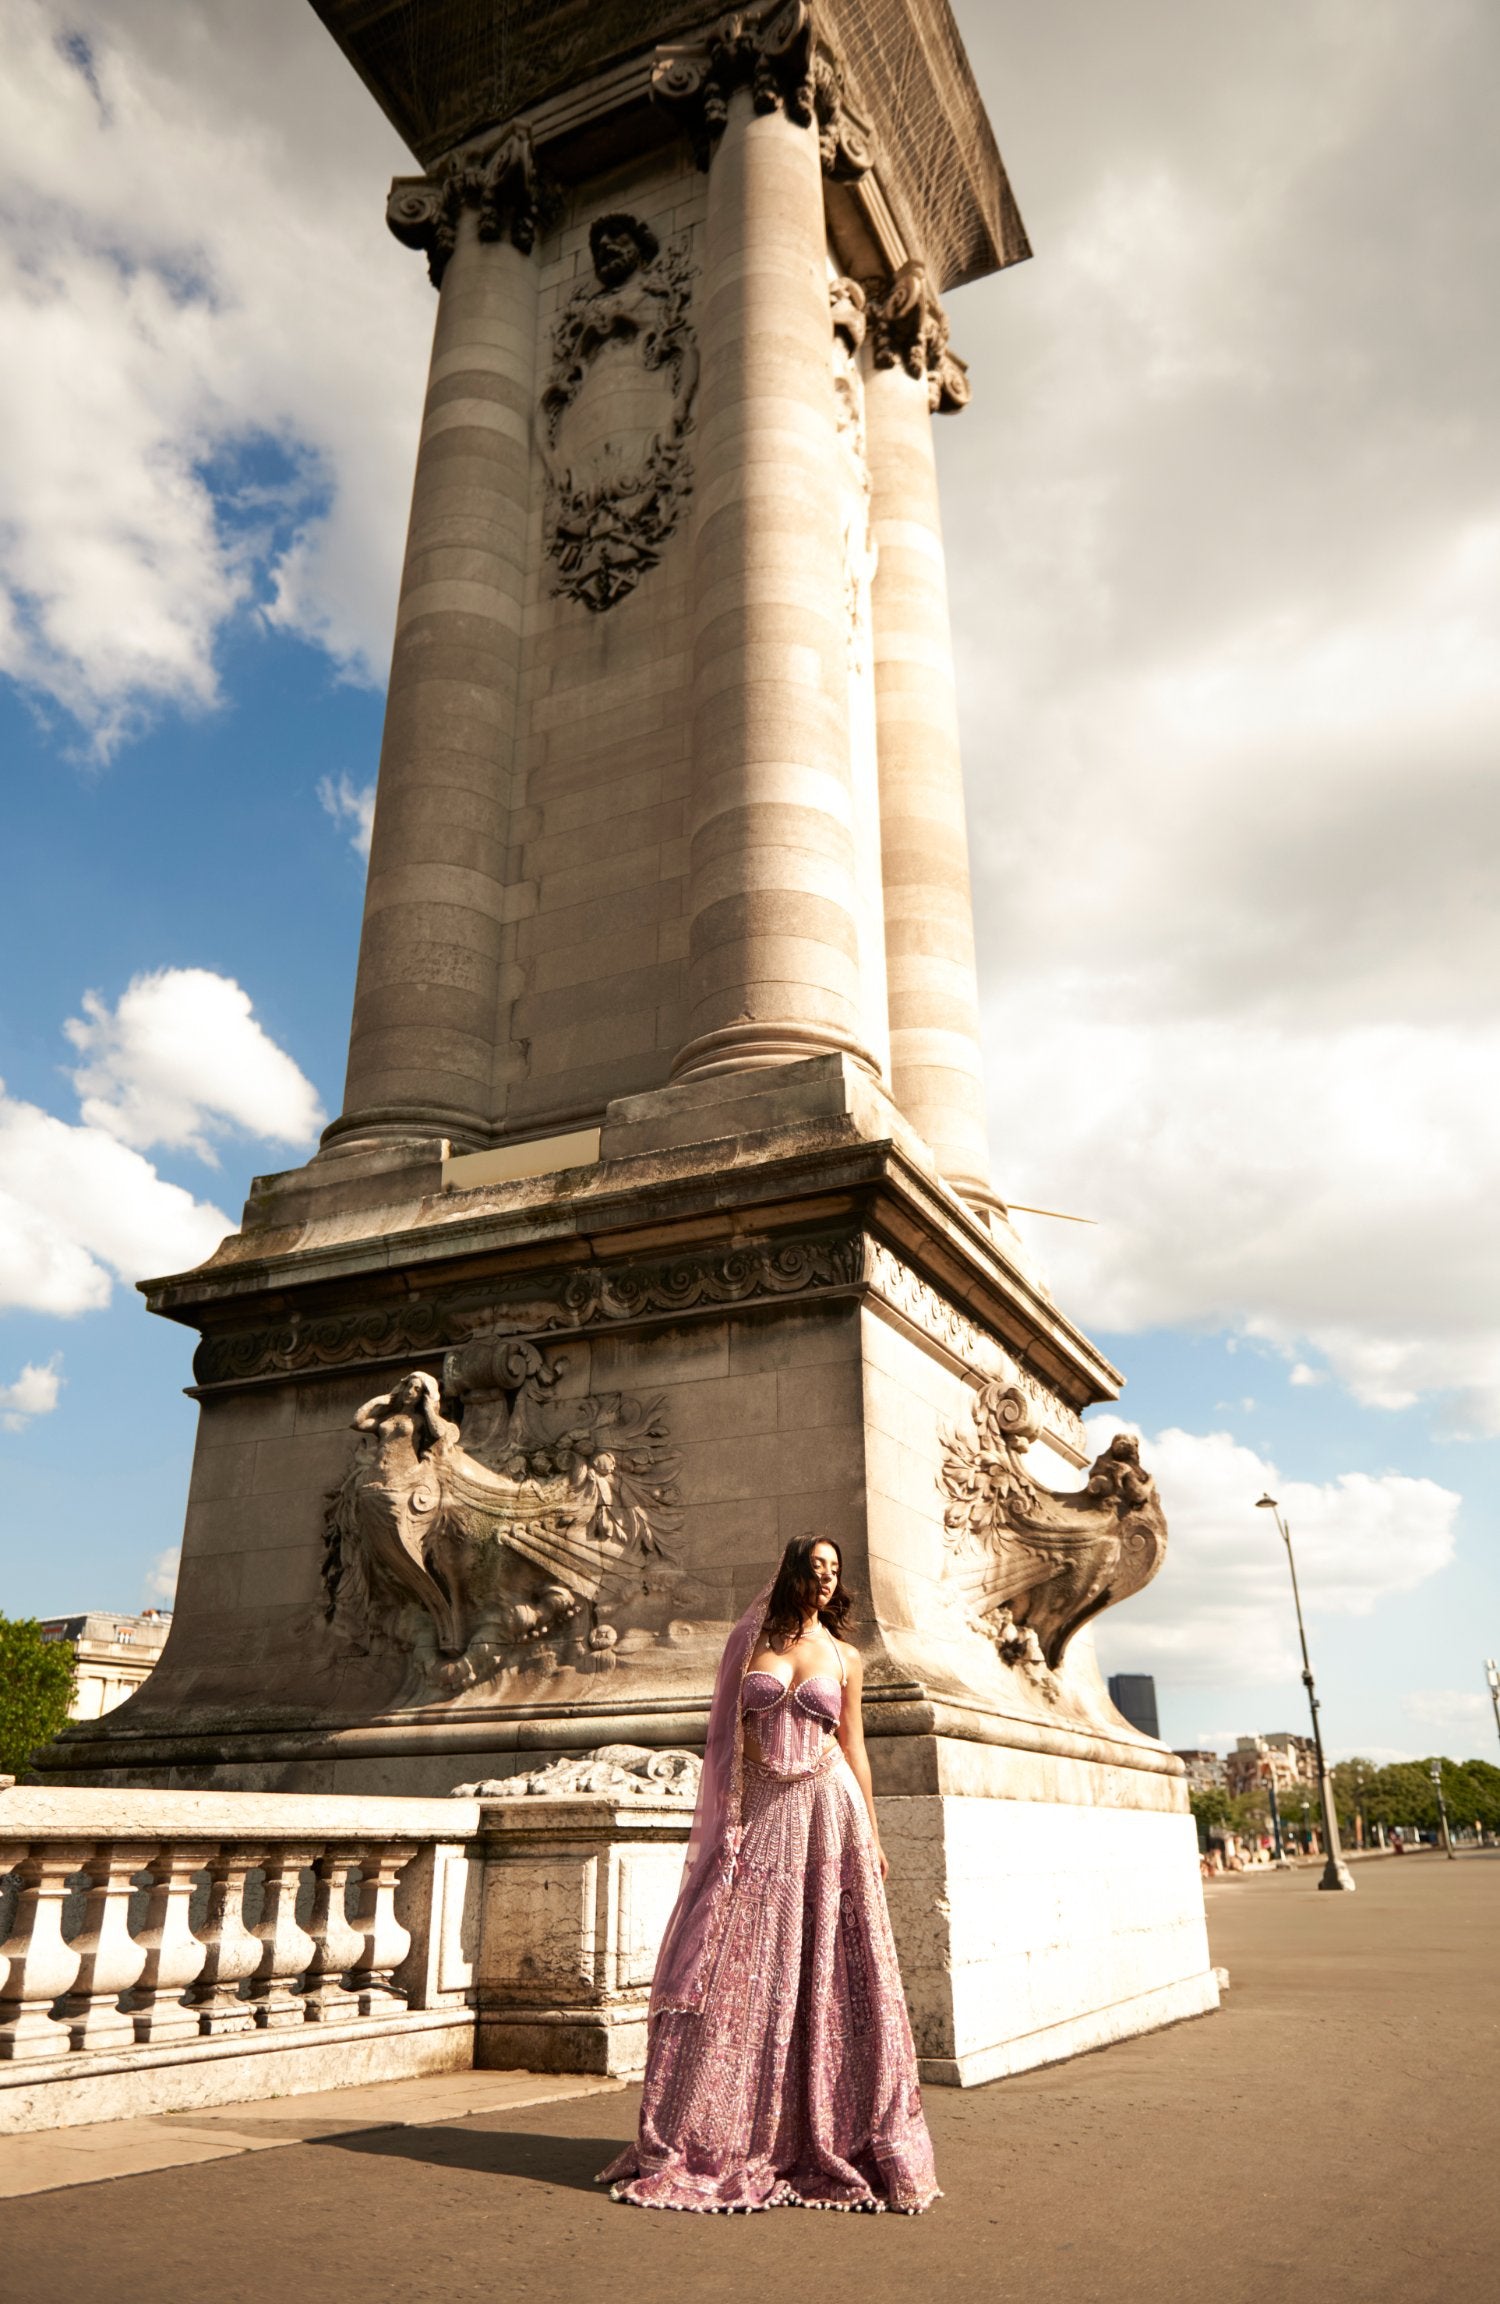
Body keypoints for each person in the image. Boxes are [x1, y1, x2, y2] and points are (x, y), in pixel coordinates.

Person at [600, 1536, 939, 2214]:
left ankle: (838, 2134)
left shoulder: (846, 1657)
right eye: (814, 1567)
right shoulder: (746, 1642)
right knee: (735, 1965)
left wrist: (871, 1833)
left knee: (832, 1971)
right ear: (789, 1573)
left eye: (834, 1570)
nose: (825, 1579)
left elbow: (855, 1748)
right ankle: (716, 2134)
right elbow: (722, 1740)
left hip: (828, 1810)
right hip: (759, 1813)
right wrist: (726, 1823)